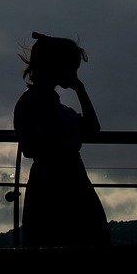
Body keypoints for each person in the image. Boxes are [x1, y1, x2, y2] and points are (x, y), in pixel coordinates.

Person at [13, 32, 110, 249]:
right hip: (65, 186)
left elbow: (90, 129)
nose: (75, 74)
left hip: (49, 186)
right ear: (57, 67)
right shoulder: (48, 107)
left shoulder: (36, 104)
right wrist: (81, 91)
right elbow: (92, 129)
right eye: (72, 68)